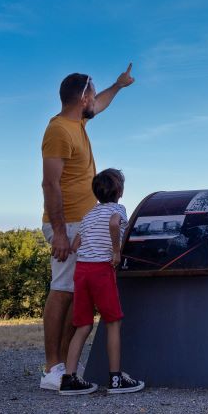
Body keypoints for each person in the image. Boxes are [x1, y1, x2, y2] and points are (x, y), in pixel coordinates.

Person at [39, 65, 134, 391]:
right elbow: (50, 184)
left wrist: (119, 85)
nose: (96, 100)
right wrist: (61, 232)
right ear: (82, 97)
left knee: (76, 293)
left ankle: (68, 368)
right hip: (67, 224)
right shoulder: (59, 131)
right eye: (93, 94)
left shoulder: (78, 122)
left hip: (84, 221)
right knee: (63, 291)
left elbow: (101, 104)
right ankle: (53, 368)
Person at [59, 168, 145, 395]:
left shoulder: (89, 215)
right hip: (100, 271)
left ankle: (68, 379)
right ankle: (116, 379)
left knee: (83, 325)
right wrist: (115, 251)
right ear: (120, 191)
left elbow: (76, 244)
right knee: (113, 322)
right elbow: (116, 223)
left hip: (82, 271)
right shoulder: (117, 209)